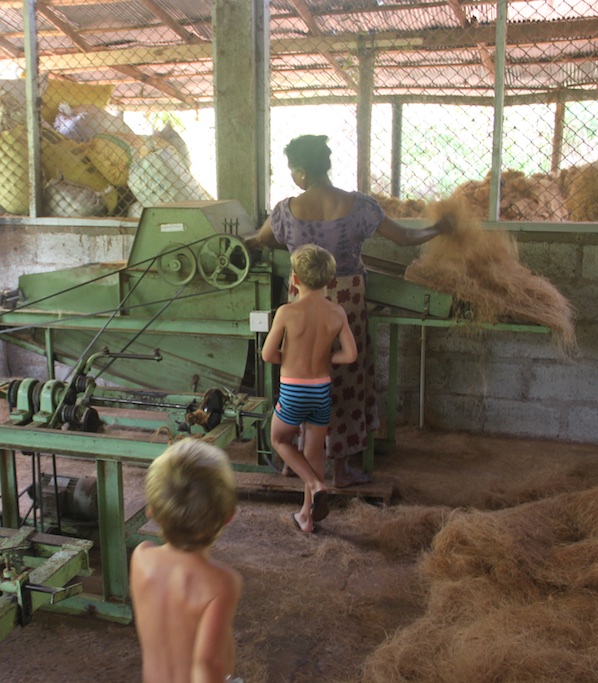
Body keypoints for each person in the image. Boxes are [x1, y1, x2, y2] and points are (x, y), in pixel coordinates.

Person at [246, 134, 454, 488]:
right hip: (348, 305)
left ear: (300, 172)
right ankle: (343, 468)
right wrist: (440, 227)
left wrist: (242, 243)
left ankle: (292, 462)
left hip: (303, 304)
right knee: (348, 380)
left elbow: (261, 240)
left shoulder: (285, 211)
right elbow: (403, 237)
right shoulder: (361, 207)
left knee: (302, 375)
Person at [261, 244, 358, 533]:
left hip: (294, 389)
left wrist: (289, 359)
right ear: (330, 281)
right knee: (314, 453)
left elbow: (268, 354)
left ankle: (316, 485)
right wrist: (327, 357)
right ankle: (307, 517)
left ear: (295, 279)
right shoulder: (337, 312)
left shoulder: (287, 312)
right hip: (321, 390)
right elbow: (350, 355)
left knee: (279, 440)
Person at [131, 439, 244, 683]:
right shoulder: (220, 584)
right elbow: (206, 664)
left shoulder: (141, 558)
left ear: (152, 510)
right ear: (227, 517)